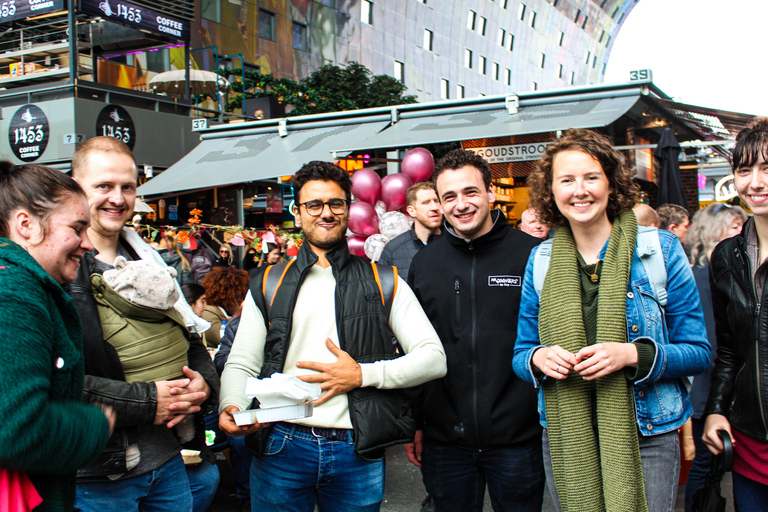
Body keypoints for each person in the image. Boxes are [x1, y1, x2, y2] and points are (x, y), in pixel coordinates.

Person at [218, 160, 447, 512]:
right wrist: (231, 405)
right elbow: (242, 363)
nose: (326, 213)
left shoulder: (385, 280)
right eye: (314, 205)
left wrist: (363, 375)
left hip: (355, 446)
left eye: (335, 204)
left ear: (348, 209)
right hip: (280, 442)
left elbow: (434, 358)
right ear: (298, 212)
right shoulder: (267, 282)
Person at [512, 129, 709, 512]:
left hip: (646, 432)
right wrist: (537, 359)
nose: (579, 190)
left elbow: (699, 351)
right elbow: (521, 352)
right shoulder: (542, 260)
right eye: (566, 180)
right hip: (567, 435)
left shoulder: (660, 250)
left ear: (610, 183)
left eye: (591, 177)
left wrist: (632, 355)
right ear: (551, 191)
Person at [67, 136, 220, 512]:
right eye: (103, 186)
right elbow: (59, 379)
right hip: (99, 474)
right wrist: (149, 401)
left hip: (166, 463)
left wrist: (203, 385)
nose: (117, 198)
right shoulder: (62, 267)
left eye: (127, 187)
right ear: (75, 187)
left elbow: (191, 340)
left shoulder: (152, 260)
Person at [406, 149, 544, 512]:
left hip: (519, 439)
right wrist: (414, 422)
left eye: (470, 192)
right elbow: (413, 348)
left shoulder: (533, 255)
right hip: (444, 441)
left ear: (490, 193)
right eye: (449, 196)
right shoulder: (425, 264)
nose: (461, 204)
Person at [0, 162, 115, 512]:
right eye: (77, 228)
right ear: (26, 224)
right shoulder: (14, 292)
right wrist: (95, 424)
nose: (87, 244)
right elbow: (17, 429)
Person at [704, 117, 768, 511]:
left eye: (767, 168)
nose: (756, 182)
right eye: (745, 170)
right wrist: (714, 411)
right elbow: (729, 350)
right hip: (749, 446)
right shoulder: (727, 256)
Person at [682, 202, 746, 511]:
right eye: (734, 227)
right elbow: (713, 338)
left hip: (716, 384)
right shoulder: (704, 275)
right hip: (709, 386)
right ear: (713, 232)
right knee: (707, 466)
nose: (741, 232)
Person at [378, 181, 442, 280]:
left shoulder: (455, 242)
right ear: (412, 211)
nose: (435, 207)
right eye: (426, 202)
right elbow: (383, 291)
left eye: (437, 201)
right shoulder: (393, 250)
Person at [201, 265, 250, 349]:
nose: (240, 298)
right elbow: (224, 339)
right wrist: (236, 315)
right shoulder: (208, 312)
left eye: (242, 294)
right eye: (237, 294)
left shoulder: (227, 311)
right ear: (223, 294)